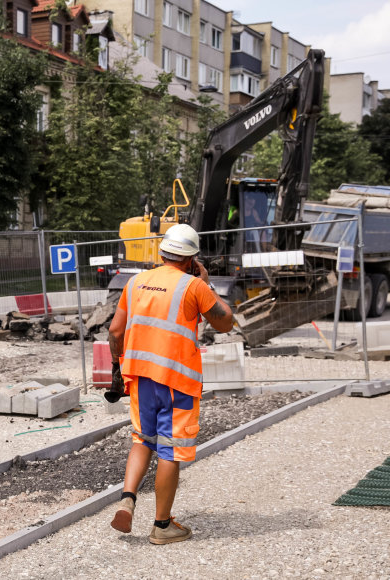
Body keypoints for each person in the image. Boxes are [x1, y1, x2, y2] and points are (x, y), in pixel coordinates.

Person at [106, 223, 234, 544]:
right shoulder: (193, 286)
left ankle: (128, 499)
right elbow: (226, 322)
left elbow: (115, 332)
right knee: (170, 451)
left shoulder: (135, 282)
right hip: (176, 382)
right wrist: (207, 284)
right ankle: (162, 527)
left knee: (141, 439)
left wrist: (116, 369)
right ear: (191, 259)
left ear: (161, 253)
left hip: (141, 378)